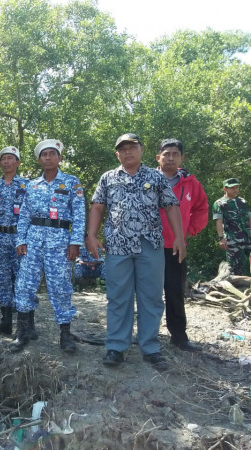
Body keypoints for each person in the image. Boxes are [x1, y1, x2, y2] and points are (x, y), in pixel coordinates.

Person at [86, 133, 186, 371]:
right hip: (117, 245)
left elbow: (171, 206)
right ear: (117, 154)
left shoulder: (156, 177)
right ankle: (116, 346)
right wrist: (91, 235)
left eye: (132, 147)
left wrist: (180, 237)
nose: (128, 152)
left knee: (151, 297)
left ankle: (150, 348)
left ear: (141, 149)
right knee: (118, 297)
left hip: (150, 245)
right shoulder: (108, 178)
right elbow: (98, 206)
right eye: (123, 149)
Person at [11, 139, 85, 352]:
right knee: (24, 285)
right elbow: (24, 214)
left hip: (60, 241)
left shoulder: (71, 182)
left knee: (60, 287)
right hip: (33, 240)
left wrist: (75, 242)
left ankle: (65, 335)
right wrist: (21, 240)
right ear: (39, 159)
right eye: (44, 155)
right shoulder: (32, 185)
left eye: (52, 154)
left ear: (60, 158)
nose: (48, 158)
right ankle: (21, 333)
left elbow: (79, 214)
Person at [156, 138, 208, 352]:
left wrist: (187, 232)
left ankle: (179, 336)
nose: (170, 158)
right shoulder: (146, 179)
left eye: (175, 154)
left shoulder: (191, 183)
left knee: (175, 291)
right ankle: (146, 335)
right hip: (148, 245)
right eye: (166, 153)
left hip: (176, 247)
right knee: (147, 292)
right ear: (158, 156)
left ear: (182, 158)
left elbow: (202, 209)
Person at [0, 147, 29, 335]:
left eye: (11, 158)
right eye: (3, 159)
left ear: (17, 162)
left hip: (19, 237)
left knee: (23, 279)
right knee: (0, 279)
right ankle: (6, 322)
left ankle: (27, 325)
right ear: (0, 163)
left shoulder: (27, 185)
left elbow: (32, 214)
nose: (7, 162)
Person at [213, 178, 251, 276]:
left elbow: (249, 217)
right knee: (235, 269)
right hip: (233, 240)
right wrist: (221, 238)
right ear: (225, 189)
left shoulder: (242, 202)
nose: (235, 190)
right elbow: (219, 221)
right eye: (232, 188)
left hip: (248, 236)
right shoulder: (219, 204)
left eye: (237, 187)